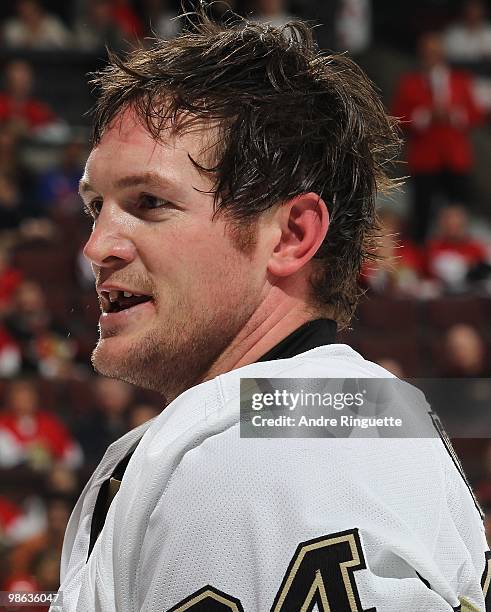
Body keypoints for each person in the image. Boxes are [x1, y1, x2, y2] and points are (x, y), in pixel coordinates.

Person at [54, 11, 490, 612]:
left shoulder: (255, 464)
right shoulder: (349, 412)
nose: (97, 245)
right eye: (95, 206)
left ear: (290, 235)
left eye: (149, 202)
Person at [391, 31, 484, 243]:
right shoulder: (410, 82)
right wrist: (426, 115)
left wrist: (452, 113)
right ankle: (421, 256)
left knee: (458, 212)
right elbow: (399, 117)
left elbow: (475, 113)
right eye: (426, 51)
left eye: (434, 51)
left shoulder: (460, 80)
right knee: (422, 214)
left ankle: (459, 254)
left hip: (455, 157)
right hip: (425, 159)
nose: (430, 55)